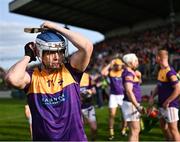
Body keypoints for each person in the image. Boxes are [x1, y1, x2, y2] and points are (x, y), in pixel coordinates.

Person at [5, 21, 93, 141]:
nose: (57, 57)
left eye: (60, 51)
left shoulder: (71, 71)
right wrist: (28, 56)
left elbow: (87, 47)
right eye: (51, 52)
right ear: (39, 52)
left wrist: (56, 28)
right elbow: (12, 78)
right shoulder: (32, 77)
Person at [149, 49, 180, 141]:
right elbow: (159, 86)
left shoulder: (170, 72)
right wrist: (152, 96)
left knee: (173, 129)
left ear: (158, 58)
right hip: (161, 105)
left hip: (170, 105)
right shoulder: (161, 70)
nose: (155, 59)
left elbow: (178, 89)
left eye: (156, 57)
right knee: (163, 127)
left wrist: (168, 101)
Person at [101, 58, 127, 140]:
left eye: (119, 65)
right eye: (116, 65)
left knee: (124, 115)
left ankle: (124, 130)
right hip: (113, 96)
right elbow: (102, 72)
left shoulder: (123, 72)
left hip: (123, 95)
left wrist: (123, 64)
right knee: (111, 115)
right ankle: (111, 133)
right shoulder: (111, 72)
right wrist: (110, 63)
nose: (117, 66)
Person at [121, 53, 144, 142]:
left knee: (136, 130)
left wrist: (139, 77)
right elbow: (129, 91)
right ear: (130, 62)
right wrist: (137, 106)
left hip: (132, 103)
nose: (137, 62)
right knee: (134, 131)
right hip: (131, 104)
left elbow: (136, 85)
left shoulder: (131, 72)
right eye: (136, 61)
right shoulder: (128, 74)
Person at [80, 72, 97, 141]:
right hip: (78, 108)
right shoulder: (70, 77)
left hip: (89, 106)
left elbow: (93, 89)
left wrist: (90, 91)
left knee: (94, 128)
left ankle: (93, 139)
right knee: (80, 128)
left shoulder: (86, 76)